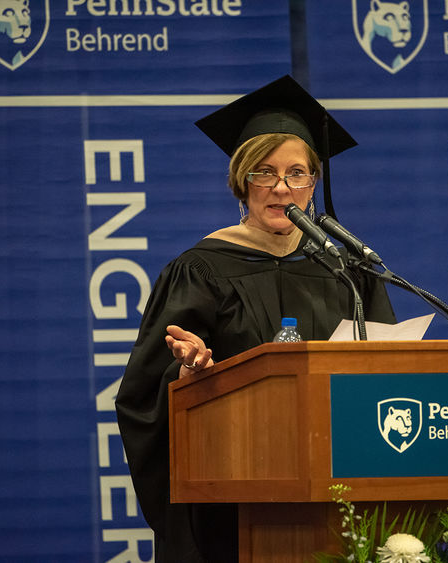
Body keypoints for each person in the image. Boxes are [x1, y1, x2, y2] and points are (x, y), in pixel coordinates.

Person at [115, 75, 396, 562]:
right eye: (264, 173)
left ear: (314, 183)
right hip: (234, 503)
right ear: (241, 181)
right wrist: (188, 373)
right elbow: (142, 396)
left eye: (296, 173)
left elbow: (387, 370)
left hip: (340, 494)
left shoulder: (349, 272)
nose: (281, 187)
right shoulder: (201, 270)